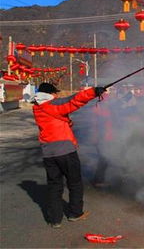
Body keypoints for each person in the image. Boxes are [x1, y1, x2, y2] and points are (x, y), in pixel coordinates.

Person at [32, 83, 106, 228]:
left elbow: (59, 116)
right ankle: (75, 213)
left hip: (48, 153)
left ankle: (55, 220)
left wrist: (67, 121)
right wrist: (93, 92)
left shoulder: (37, 107)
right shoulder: (53, 104)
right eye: (55, 93)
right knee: (75, 183)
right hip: (65, 151)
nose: (57, 96)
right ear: (50, 93)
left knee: (54, 186)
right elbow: (74, 100)